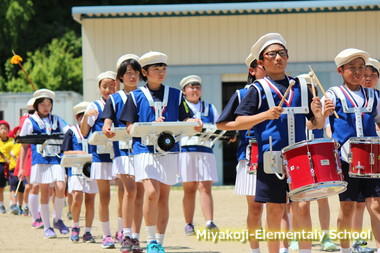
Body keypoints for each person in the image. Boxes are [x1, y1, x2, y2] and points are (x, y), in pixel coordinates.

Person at [234, 33, 328, 253]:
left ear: (288, 57)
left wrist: (320, 115)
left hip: (299, 157)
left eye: (282, 53)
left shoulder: (302, 88)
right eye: (272, 54)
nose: (278, 58)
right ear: (262, 61)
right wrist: (265, 115)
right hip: (271, 158)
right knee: (275, 211)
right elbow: (238, 122)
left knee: (302, 208)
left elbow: (314, 125)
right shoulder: (257, 90)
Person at [120, 51, 200, 253]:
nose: (161, 72)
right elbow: (129, 127)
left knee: (164, 195)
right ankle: (150, 239)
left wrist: (194, 122)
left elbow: (186, 117)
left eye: (164, 68)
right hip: (143, 150)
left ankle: (159, 242)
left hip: (170, 150)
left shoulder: (175, 94)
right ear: (145, 72)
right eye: (156, 69)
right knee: (151, 193)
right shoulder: (136, 96)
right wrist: (148, 125)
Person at [321, 48, 380, 253]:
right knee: (347, 207)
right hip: (345, 160)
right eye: (352, 68)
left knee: (376, 206)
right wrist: (322, 114)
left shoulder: (374, 95)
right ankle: (346, 250)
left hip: (372, 159)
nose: (357, 72)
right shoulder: (332, 94)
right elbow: (315, 124)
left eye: (361, 68)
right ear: (340, 70)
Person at [216, 53, 266, 253]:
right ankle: (255, 250)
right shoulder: (242, 94)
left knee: (279, 208)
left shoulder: (284, 91)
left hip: (279, 154)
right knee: (255, 207)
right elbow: (221, 123)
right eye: (261, 65)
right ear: (252, 71)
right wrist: (243, 124)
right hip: (250, 155)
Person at [102, 54, 144, 252]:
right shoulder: (115, 98)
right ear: (120, 77)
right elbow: (108, 119)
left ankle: (136, 236)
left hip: (144, 150)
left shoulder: (145, 95)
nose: (132, 76)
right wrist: (107, 127)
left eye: (135, 73)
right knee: (130, 190)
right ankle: (125, 234)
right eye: (128, 73)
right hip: (123, 150)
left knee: (140, 192)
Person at [18, 89, 69, 239]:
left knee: (61, 186)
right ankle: (47, 227)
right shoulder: (29, 121)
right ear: (36, 105)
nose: (46, 107)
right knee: (44, 192)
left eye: (49, 104)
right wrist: (21, 166)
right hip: (39, 161)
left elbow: (68, 131)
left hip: (56, 159)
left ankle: (58, 219)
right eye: (42, 104)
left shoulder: (57, 119)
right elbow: (24, 145)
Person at [178, 75, 220, 235]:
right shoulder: (181, 108)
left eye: (197, 87)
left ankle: (209, 222)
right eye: (191, 87)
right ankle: (188, 223)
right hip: (187, 151)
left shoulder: (210, 107)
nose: (194, 90)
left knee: (205, 186)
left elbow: (217, 127)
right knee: (189, 188)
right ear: (184, 91)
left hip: (205, 150)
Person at [80, 71, 117, 248]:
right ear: (99, 88)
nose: (109, 89)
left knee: (127, 193)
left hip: (120, 154)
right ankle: (106, 234)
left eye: (112, 85)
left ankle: (123, 231)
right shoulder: (94, 106)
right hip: (101, 156)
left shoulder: (122, 102)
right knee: (104, 196)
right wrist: (87, 116)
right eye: (105, 86)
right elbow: (84, 132)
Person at [62, 101, 97, 243]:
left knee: (90, 200)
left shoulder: (95, 130)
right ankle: (75, 226)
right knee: (77, 197)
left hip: (92, 170)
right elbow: (65, 151)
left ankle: (88, 231)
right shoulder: (71, 131)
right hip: (76, 170)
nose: (84, 119)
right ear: (77, 117)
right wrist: (79, 152)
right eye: (81, 116)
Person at [0, 120, 13, 214]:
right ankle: (1, 204)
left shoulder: (12, 141)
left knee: (13, 186)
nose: (3, 130)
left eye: (5, 128)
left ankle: (14, 205)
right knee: (1, 187)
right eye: (1, 128)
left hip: (11, 166)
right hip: (0, 165)